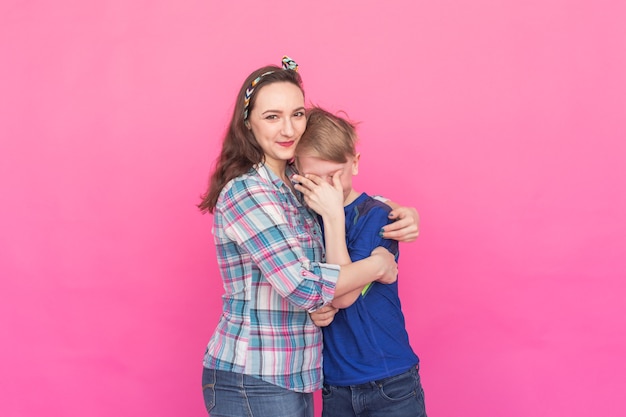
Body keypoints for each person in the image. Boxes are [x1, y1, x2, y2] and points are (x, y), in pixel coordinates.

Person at [197, 57, 419, 417]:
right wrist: (379, 264)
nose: (288, 129)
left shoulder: (295, 188)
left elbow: (344, 201)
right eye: (272, 116)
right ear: (248, 124)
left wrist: (397, 209)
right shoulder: (249, 192)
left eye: (297, 114)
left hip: (297, 375)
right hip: (255, 374)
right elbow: (303, 286)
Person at [294, 107, 427, 417]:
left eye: (333, 176)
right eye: (315, 179)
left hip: (390, 381)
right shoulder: (305, 225)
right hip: (336, 386)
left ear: (354, 164)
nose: (327, 188)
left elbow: (343, 293)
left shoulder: (378, 215)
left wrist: (333, 217)